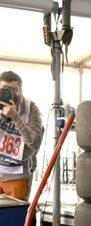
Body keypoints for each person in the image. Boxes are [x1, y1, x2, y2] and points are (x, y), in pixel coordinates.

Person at [0, 71, 44, 201]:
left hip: (18, 175)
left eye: (14, 90)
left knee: (14, 217)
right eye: (5, 90)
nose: (10, 94)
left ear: (21, 90)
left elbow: (35, 143)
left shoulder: (31, 108)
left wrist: (15, 117)